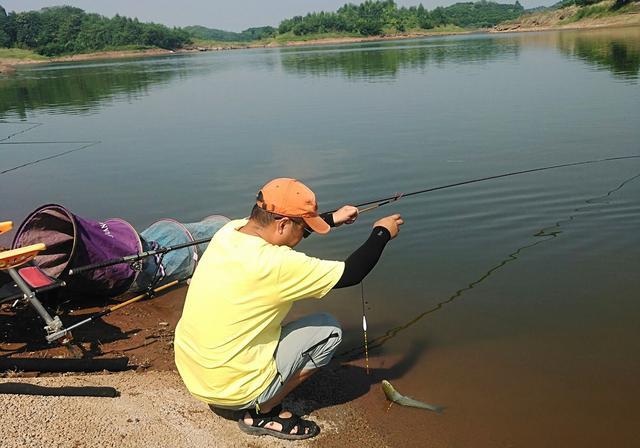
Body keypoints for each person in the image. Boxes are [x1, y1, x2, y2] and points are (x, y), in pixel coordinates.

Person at [174, 178, 403, 440]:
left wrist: (331, 219)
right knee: (328, 331)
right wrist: (382, 233)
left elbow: (282, 231)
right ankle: (263, 412)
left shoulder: (229, 231)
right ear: (282, 224)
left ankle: (242, 387)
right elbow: (351, 274)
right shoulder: (277, 263)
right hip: (231, 390)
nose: (302, 235)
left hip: (194, 375)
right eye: (303, 227)